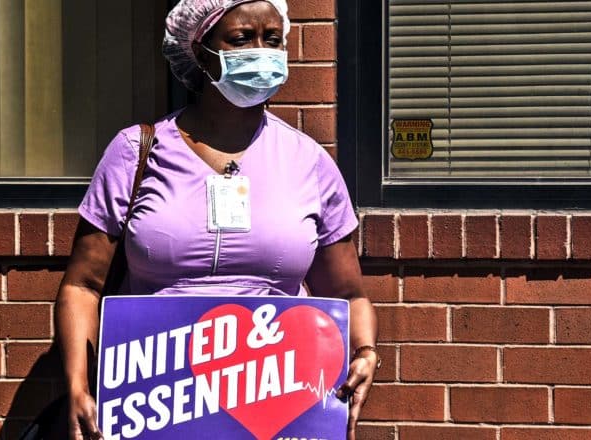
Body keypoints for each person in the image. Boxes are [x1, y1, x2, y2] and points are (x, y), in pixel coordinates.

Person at [55, 1, 379, 439]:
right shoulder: (136, 153)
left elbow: (347, 294)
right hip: (156, 402)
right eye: (242, 39)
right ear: (199, 49)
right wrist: (77, 385)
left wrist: (365, 351)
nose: (261, 52)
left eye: (273, 39)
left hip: (279, 402)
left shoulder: (310, 162)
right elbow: (83, 285)